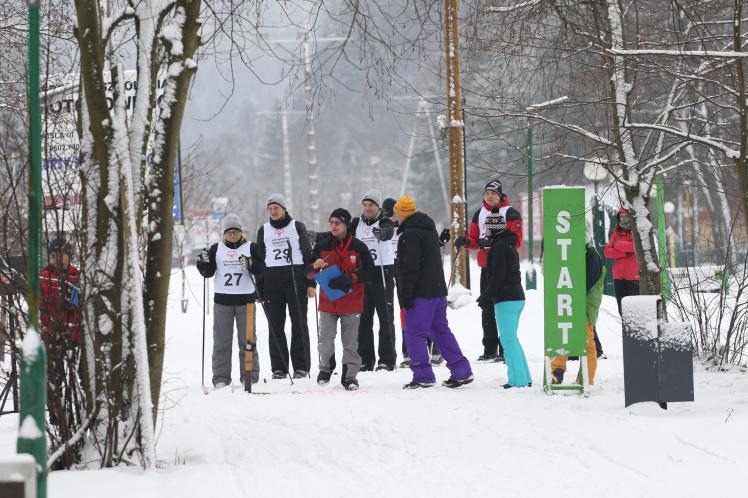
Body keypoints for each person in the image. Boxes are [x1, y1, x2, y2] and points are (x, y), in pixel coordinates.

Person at [393, 195, 473, 389]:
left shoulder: (410, 235)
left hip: (420, 293)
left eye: (396, 213)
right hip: (436, 291)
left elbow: (410, 267)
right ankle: (461, 370)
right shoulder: (428, 229)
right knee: (440, 331)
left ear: (401, 213)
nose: (394, 216)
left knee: (414, 334)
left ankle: (423, 376)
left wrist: (406, 294)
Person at [455, 179, 522, 363]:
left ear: (500, 195)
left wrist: (493, 241)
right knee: (486, 306)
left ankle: (505, 349)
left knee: (504, 307)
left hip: (505, 267)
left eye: (493, 193)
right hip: (487, 266)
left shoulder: (510, 213)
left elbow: (516, 240)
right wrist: (466, 242)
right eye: (487, 193)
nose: (490, 196)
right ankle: (490, 348)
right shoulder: (479, 214)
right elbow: (474, 239)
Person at [309, 208, 375, 391]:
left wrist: (351, 277)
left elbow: (370, 272)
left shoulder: (359, 246)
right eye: (331, 222)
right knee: (325, 340)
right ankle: (325, 368)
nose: (333, 226)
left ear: (346, 225)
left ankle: (350, 376)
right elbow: (308, 271)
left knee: (351, 342)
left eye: (337, 223)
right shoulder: (321, 246)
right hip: (328, 302)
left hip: (352, 302)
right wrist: (314, 266)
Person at [255, 194, 316, 379]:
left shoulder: (297, 226)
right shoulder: (263, 230)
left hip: (295, 278)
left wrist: (311, 283)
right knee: (275, 325)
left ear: (284, 209)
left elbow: (308, 255)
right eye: (270, 209)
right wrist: (259, 289)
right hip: (272, 281)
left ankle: (301, 367)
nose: (273, 211)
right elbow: (260, 261)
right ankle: (279, 368)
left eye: (276, 208)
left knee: (299, 323)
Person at [197, 214, 261, 388]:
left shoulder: (251, 247)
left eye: (236, 232)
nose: (232, 235)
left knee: (247, 341)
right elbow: (208, 272)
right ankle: (221, 377)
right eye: (229, 232)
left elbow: (263, 269)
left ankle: (249, 375)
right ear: (224, 233)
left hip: (246, 301)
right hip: (222, 302)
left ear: (241, 232)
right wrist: (202, 263)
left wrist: (251, 264)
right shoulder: (216, 248)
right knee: (221, 341)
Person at [476, 213, 531, 389]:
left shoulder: (499, 248)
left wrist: (486, 296)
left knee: (507, 340)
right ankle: (524, 377)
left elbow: (497, 276)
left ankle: (518, 381)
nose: (485, 231)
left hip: (506, 299)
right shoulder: (508, 245)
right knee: (512, 339)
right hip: (517, 297)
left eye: (487, 228)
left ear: (493, 229)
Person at [349, 189, 397, 371]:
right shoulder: (357, 223)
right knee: (363, 319)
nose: (368, 208)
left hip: (382, 273)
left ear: (378, 207)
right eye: (365, 205)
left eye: (371, 205)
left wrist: (382, 233)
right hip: (363, 274)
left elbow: (388, 231)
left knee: (385, 318)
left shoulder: (384, 221)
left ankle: (387, 360)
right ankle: (365, 360)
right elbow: (341, 235)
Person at [551, 236, 606, 385]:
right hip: (571, 302)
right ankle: (557, 372)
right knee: (563, 335)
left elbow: (585, 284)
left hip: (585, 307)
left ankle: (586, 378)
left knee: (587, 342)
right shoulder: (573, 253)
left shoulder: (592, 256)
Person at [603, 207, 639, 315]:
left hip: (634, 277)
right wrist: (624, 253)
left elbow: (636, 246)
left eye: (626, 215)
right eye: (621, 216)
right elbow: (607, 251)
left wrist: (618, 245)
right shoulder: (616, 233)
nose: (623, 218)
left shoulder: (636, 231)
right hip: (619, 277)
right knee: (622, 310)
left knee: (634, 310)